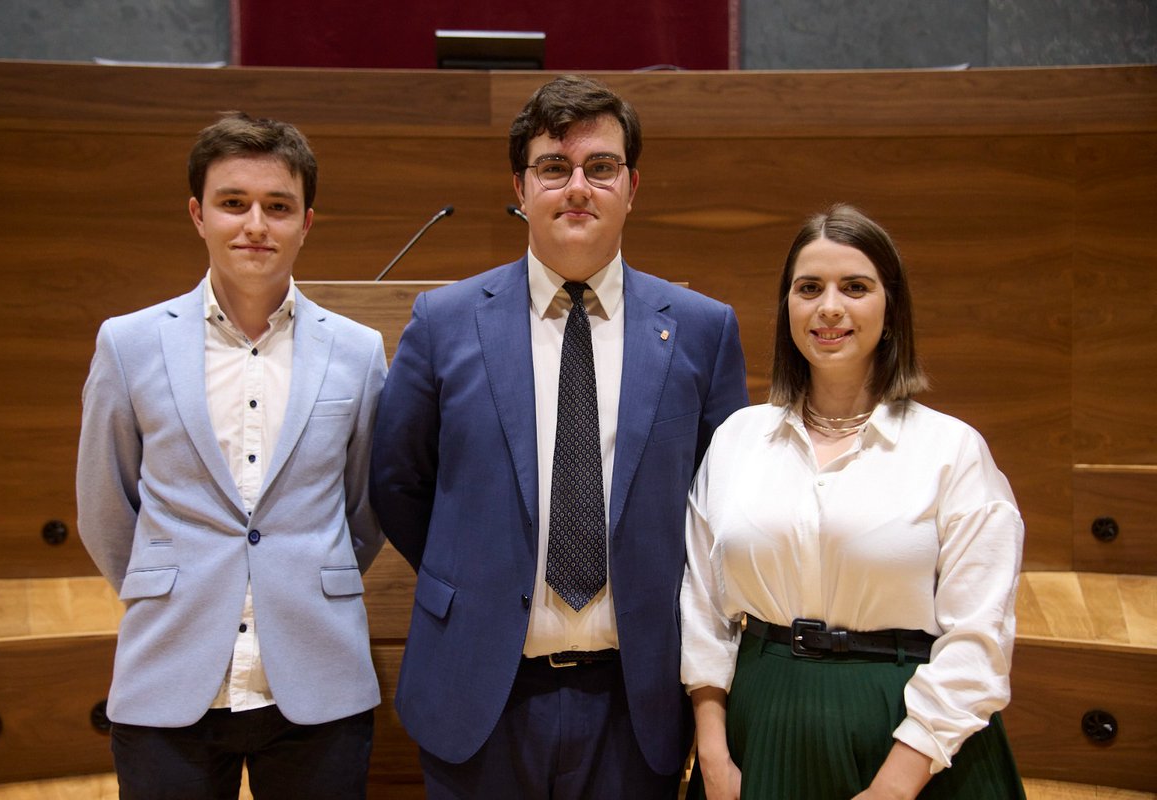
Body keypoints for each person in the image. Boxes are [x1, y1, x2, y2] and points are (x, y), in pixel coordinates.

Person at [370, 74, 749, 799]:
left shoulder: (703, 329)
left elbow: (719, 507)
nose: (578, 186)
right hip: (479, 689)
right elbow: (397, 482)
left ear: (632, 187)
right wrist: (484, 574)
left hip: (635, 699)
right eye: (554, 167)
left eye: (600, 167)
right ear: (521, 185)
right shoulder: (444, 322)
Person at [76, 112, 387, 799]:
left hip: (317, 675)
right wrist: (171, 581)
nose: (256, 224)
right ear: (198, 214)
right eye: (233, 203)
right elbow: (105, 506)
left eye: (278, 206)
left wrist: (304, 573)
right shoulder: (128, 345)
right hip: (170, 671)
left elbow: (366, 507)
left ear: (307, 221)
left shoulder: (360, 352)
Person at [681, 204, 1026, 799]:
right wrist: (712, 751)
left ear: (890, 309)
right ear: (788, 305)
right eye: (809, 288)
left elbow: (980, 638)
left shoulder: (952, 450)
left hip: (914, 742)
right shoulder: (737, 439)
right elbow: (703, 609)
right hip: (762, 729)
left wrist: (896, 784)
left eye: (856, 287)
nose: (829, 307)